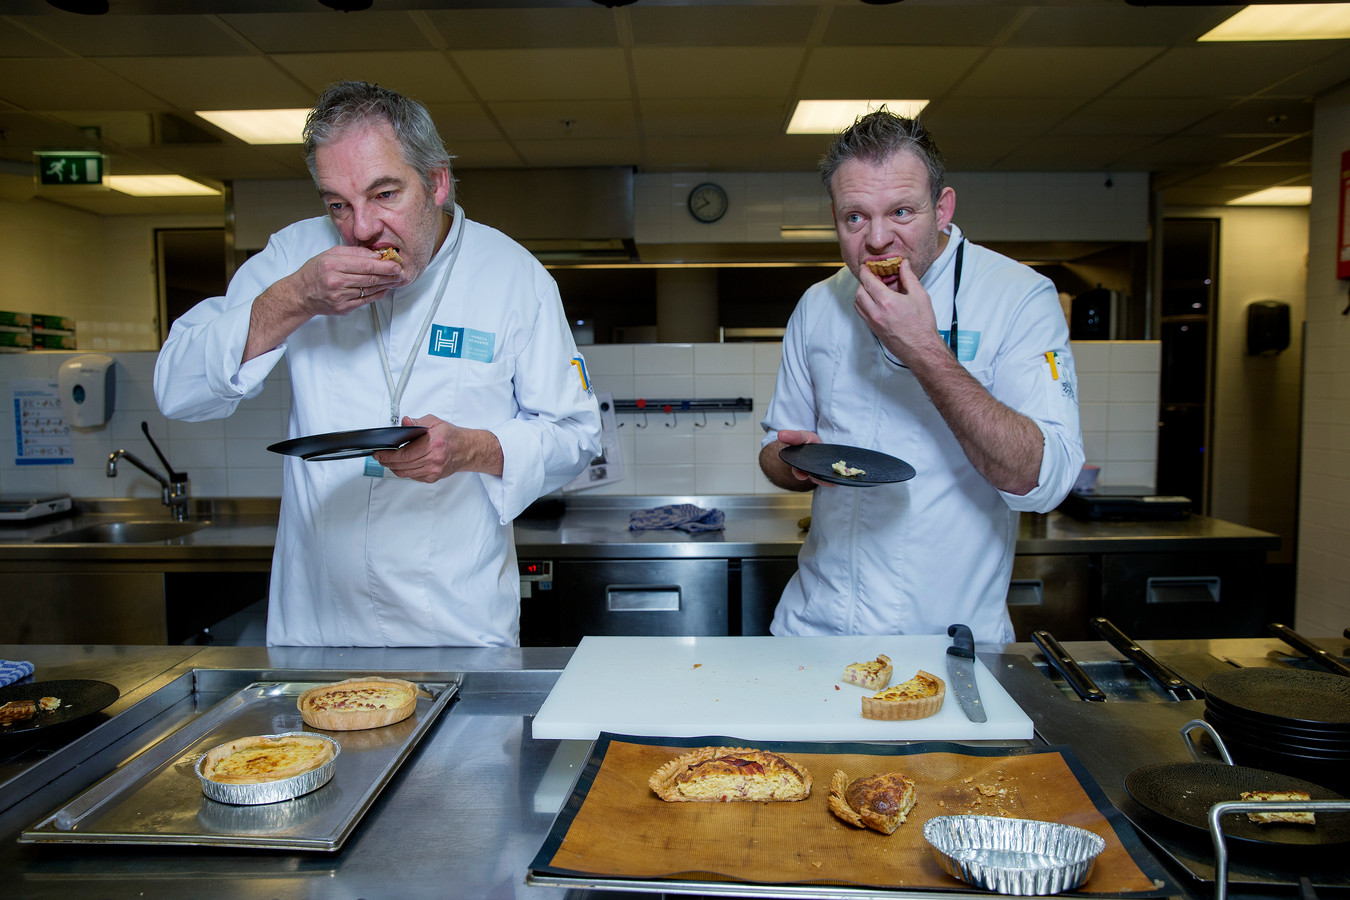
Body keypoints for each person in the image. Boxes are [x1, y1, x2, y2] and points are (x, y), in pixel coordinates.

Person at [155, 81, 602, 647]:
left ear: (437, 181)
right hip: (317, 628)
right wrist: (295, 298)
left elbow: (575, 435)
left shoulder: (514, 277)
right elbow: (178, 390)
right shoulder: (296, 257)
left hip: (456, 627)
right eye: (338, 204)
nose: (361, 229)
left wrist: (471, 448)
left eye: (384, 194)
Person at [759, 110, 1083, 643]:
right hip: (813, 635)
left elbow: (1041, 481)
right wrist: (791, 461)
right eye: (855, 218)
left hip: (946, 642)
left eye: (902, 211)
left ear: (942, 207)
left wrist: (926, 349)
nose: (878, 238)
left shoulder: (1016, 296)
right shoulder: (819, 304)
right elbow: (777, 449)